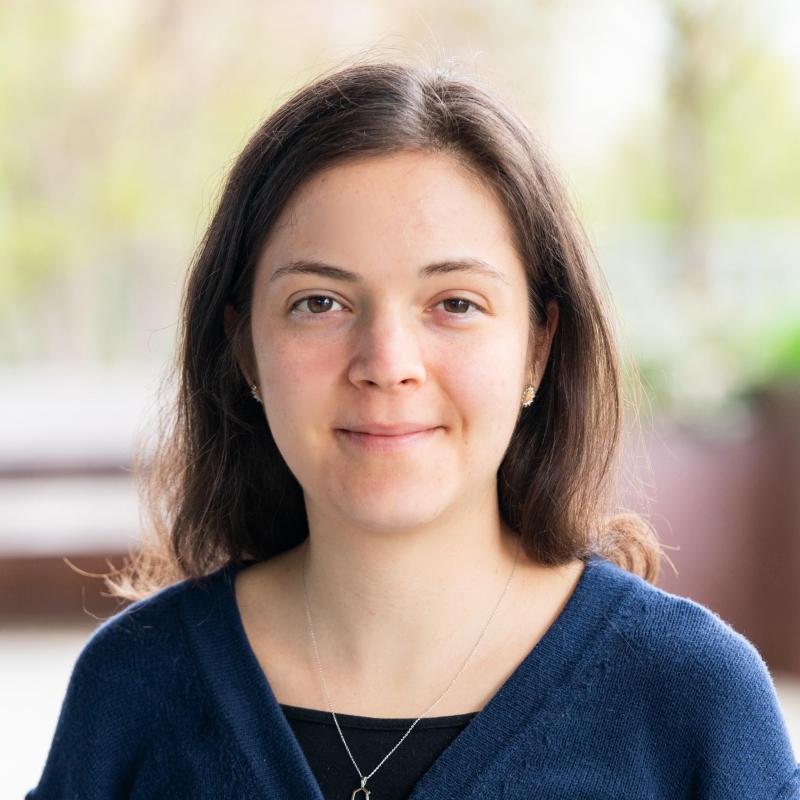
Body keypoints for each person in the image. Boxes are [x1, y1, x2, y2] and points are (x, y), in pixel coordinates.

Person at [27, 58, 798, 800]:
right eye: (320, 303)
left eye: (455, 303)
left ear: (538, 347)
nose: (387, 364)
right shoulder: (135, 686)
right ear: (245, 350)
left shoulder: (692, 701)